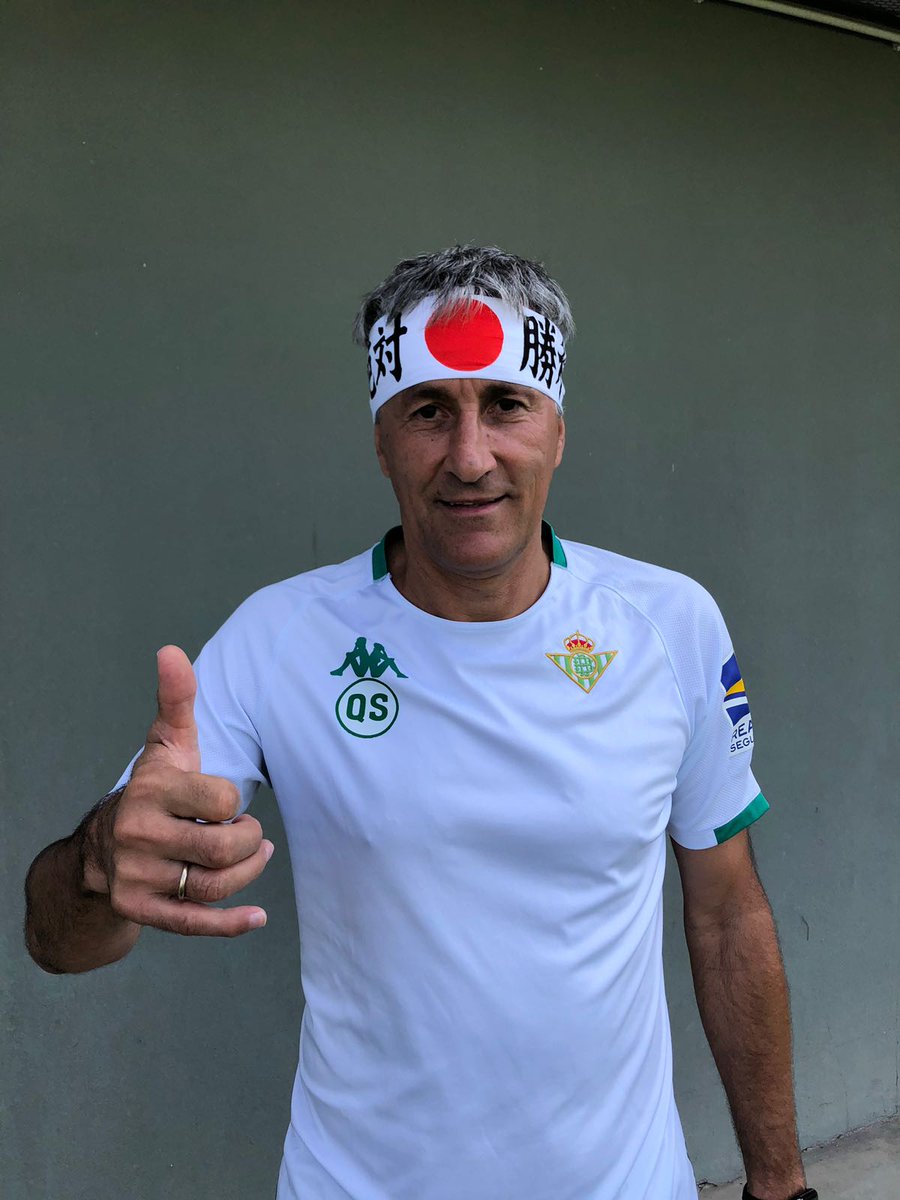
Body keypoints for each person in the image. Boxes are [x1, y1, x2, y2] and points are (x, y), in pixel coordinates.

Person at [24, 246, 816, 1200]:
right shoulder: (278, 639)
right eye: (429, 410)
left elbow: (727, 914)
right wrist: (102, 858)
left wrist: (780, 1184)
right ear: (381, 439)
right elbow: (59, 942)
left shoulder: (669, 625)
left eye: (507, 405)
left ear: (559, 432)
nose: (470, 457)